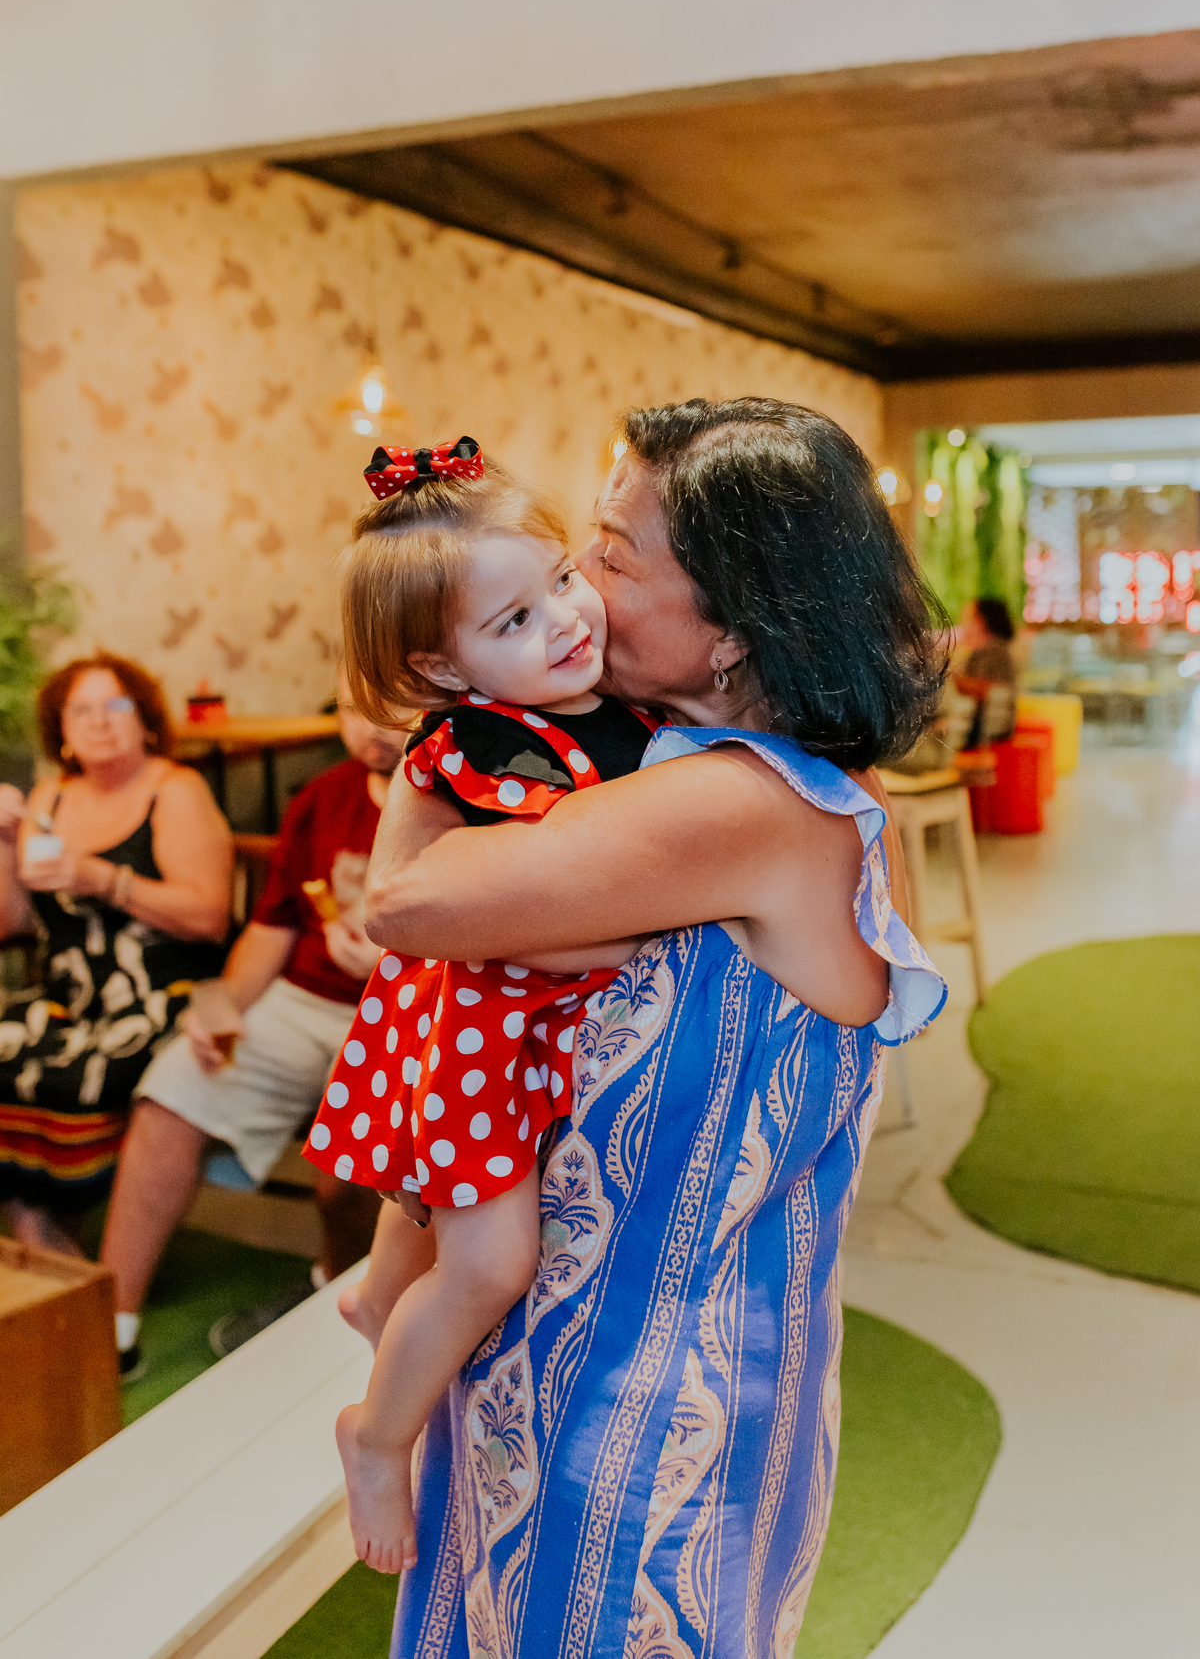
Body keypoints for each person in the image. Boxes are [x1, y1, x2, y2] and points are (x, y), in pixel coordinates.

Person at [363, 399, 949, 1658]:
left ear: (735, 625)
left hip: (632, 1419)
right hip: (631, 1373)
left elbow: (408, 908)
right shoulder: (749, 768)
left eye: (612, 558)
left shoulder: (730, 803)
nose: (580, 594)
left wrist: (417, 775)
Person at [301, 437, 658, 1574]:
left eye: (560, 578)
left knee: (430, 1218)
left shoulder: (613, 703)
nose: (562, 620)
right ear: (445, 672)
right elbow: (529, 929)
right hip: (477, 1035)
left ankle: (379, 1300)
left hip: (508, 1031)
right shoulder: (479, 748)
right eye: (511, 622)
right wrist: (673, 931)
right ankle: (377, 1429)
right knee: (492, 1258)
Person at [99, 675, 409, 1378]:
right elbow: (269, 931)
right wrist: (217, 1009)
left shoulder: (456, 800)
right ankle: (111, 1331)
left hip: (404, 1009)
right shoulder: (320, 798)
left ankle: (339, 1294)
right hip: (301, 1003)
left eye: (389, 708)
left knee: (352, 1169)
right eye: (354, 709)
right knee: (171, 1088)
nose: (370, 729)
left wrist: (397, 961)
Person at [0, 655, 230, 1258]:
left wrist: (101, 878)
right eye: (82, 710)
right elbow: (13, 921)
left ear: (146, 723)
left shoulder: (175, 791)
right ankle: (39, 1232)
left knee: (84, 1069)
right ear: (62, 732)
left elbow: (209, 918)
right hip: (69, 998)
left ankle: (57, 1241)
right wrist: (2, 843)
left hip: (167, 995)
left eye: (117, 706)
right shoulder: (48, 798)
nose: (100, 722)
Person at [953, 596, 1018, 747]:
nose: (962, 621)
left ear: (981, 621)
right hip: (979, 723)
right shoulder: (981, 651)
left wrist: (953, 679)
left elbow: (990, 690)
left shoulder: (996, 651)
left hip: (985, 727)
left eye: (967, 616)